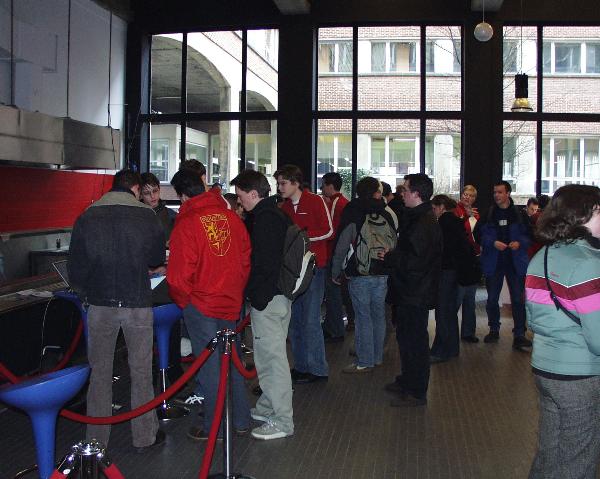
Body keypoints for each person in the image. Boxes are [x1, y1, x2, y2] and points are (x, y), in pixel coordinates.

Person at [68, 169, 166, 451]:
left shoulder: (88, 215)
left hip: (100, 304)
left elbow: (76, 267)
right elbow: (156, 258)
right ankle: (144, 436)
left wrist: (85, 295)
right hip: (137, 303)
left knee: (99, 374)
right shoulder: (146, 215)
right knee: (141, 371)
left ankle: (97, 439)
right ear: (135, 188)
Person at [167, 169, 251, 441]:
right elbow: (245, 260)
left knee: (209, 365)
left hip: (201, 303)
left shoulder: (187, 222)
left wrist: (185, 301)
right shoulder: (232, 218)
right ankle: (241, 419)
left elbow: (178, 275)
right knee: (233, 360)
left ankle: (213, 426)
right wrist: (235, 291)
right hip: (230, 300)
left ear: (182, 195)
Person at [525, 184, 600, 479]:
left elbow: (532, 319)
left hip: (545, 368)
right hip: (579, 375)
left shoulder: (542, 256)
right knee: (577, 458)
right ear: (583, 215)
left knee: (550, 451)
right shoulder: (588, 264)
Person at [231, 169, 294, 441]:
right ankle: (268, 406)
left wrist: (256, 297)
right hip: (278, 297)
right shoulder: (275, 214)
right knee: (269, 356)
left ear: (254, 193)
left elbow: (264, 265)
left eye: (241, 195)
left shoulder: (265, 219)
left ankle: (282, 420)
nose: (239, 201)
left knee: (272, 360)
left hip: (268, 299)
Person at [382, 173, 442, 407]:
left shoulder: (423, 222)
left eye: (405, 190)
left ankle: (416, 391)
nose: (402, 193)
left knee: (415, 342)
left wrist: (391, 257)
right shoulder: (419, 218)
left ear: (416, 194)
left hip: (415, 292)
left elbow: (416, 261)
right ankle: (407, 380)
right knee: (406, 339)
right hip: (410, 290)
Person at [332, 177, 397, 373]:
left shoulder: (353, 210)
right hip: (383, 271)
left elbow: (342, 244)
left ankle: (364, 361)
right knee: (378, 314)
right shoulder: (386, 211)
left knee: (362, 317)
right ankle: (377, 357)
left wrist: (335, 271)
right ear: (376, 192)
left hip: (360, 271)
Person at [275, 164, 333, 384]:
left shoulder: (316, 201)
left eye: (283, 183)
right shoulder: (285, 208)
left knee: (310, 320)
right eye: (278, 183)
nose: (280, 187)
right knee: (295, 321)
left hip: (314, 268)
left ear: (295, 183)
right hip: (293, 271)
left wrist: (302, 239)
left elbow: (329, 230)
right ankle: (301, 366)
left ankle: (317, 369)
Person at [478, 180, 532, 349]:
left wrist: (519, 243)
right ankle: (493, 329)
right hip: (494, 262)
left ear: (508, 193)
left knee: (517, 299)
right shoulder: (489, 214)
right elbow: (478, 235)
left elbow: (530, 235)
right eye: (495, 192)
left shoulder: (519, 214)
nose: (496, 195)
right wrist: (492, 242)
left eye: (500, 192)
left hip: (515, 262)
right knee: (492, 298)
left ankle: (519, 334)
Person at [430, 195, 472, 363]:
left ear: (441, 207)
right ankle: (452, 347)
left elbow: (439, 250)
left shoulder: (442, 224)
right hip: (456, 272)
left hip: (445, 271)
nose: (433, 212)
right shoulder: (456, 222)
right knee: (449, 311)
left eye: (434, 208)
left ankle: (441, 350)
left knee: (442, 312)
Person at [320, 172, 350, 343]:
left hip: (333, 253)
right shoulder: (341, 202)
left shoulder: (336, 204)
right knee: (333, 293)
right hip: (336, 254)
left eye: (323, 184)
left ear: (330, 186)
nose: (321, 187)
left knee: (333, 293)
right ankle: (333, 327)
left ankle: (335, 329)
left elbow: (330, 231)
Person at [454, 184, 481, 343]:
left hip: (474, 258)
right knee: (457, 297)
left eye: (471, 195)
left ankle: (468, 332)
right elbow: (456, 232)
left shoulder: (477, 215)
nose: (467, 197)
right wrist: (465, 216)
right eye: (465, 194)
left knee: (470, 298)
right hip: (460, 260)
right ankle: (450, 332)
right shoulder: (455, 211)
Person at [140, 172, 177, 244]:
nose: (152, 196)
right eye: (147, 193)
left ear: (159, 189)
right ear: (140, 195)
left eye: (155, 191)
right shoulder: (135, 215)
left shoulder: (171, 215)